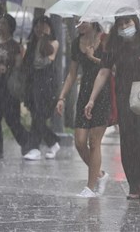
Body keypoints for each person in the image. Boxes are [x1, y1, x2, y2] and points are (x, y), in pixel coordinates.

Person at [84, 15, 140, 199]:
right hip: (123, 97)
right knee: (128, 141)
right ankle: (133, 185)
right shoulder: (114, 47)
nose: (124, 27)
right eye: (120, 24)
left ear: (136, 22)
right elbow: (104, 71)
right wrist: (91, 99)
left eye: (127, 22)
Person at [55, 21, 110, 197]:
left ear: (93, 22)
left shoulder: (105, 39)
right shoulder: (76, 43)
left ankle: (90, 187)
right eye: (77, 21)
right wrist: (62, 97)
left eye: (83, 22)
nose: (79, 25)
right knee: (79, 141)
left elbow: (111, 67)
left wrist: (93, 57)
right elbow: (72, 73)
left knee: (94, 142)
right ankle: (100, 175)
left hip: (102, 92)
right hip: (84, 91)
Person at [0, 14, 30, 158]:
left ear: (10, 27)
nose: (0, 26)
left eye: (4, 23)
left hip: (9, 85)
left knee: (12, 117)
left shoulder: (15, 46)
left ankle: (27, 142)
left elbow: (19, 67)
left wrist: (21, 55)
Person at [22, 16, 60, 160]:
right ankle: (53, 141)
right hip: (32, 82)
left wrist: (43, 38)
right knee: (36, 115)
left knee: (39, 115)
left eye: (43, 25)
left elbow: (48, 57)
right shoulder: (31, 42)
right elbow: (27, 64)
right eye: (37, 25)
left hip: (46, 82)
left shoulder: (53, 42)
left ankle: (34, 148)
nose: (39, 28)